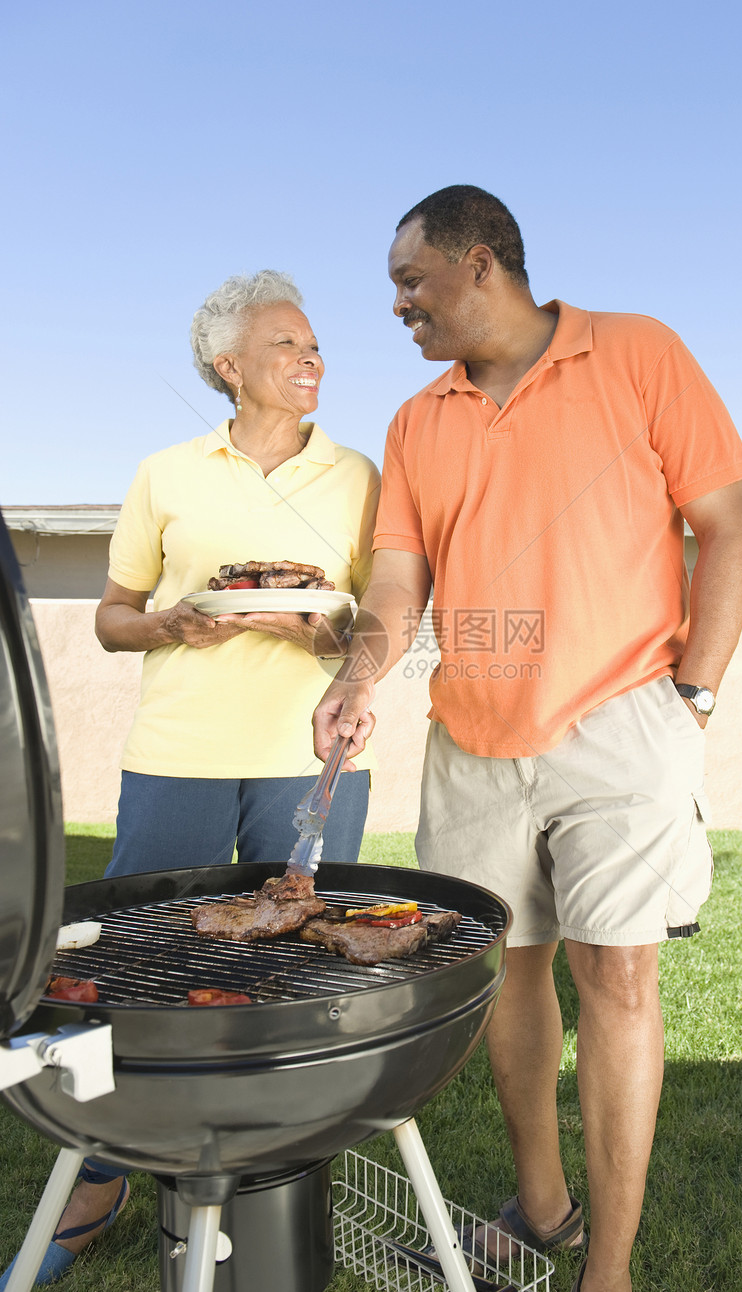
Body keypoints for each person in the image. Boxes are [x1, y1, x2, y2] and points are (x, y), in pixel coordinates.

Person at [312, 187, 742, 1292]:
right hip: (472, 734)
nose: (398, 307)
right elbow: (402, 576)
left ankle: (606, 1268)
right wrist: (358, 672)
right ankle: (545, 1207)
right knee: (505, 972)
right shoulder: (419, 419)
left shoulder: (637, 352)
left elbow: (727, 529)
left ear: (477, 265)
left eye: (409, 282)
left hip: (622, 720)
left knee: (616, 977)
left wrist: (688, 698)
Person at [0, 269, 379, 1289]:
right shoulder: (167, 471)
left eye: (314, 347)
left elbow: (379, 619)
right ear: (229, 364)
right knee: (132, 964)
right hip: (179, 747)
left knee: (302, 966)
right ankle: (104, 1172)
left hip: (314, 750)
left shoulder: (358, 474)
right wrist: (175, 620)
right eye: (288, 347)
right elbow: (113, 613)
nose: (313, 363)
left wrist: (327, 629)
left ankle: (273, 1164)